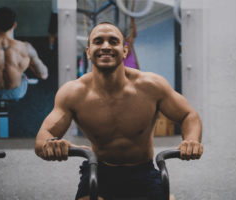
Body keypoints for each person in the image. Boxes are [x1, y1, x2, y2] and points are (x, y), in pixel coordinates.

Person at [35, 22, 203, 200]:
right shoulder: (73, 93)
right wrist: (53, 145)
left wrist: (191, 140)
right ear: (88, 51)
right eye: (98, 41)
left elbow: (188, 115)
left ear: (124, 51)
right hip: (99, 171)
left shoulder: (152, 86)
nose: (105, 46)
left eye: (113, 41)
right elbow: (43, 138)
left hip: (143, 173)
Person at [0, 7, 48, 101]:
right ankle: (23, 76)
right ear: (14, 25)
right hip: (15, 93)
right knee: (23, 73)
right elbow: (43, 75)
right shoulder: (26, 48)